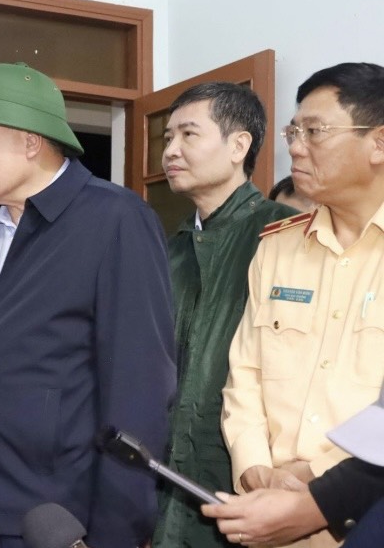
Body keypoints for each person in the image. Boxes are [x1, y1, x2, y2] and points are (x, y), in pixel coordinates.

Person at [0, 63, 176, 548]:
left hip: (57, 526)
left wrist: (115, 535)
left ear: (30, 141)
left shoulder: (115, 221)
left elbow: (140, 390)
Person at [221, 62, 384, 548]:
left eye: (315, 131)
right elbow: (243, 372)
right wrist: (255, 471)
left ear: (378, 142)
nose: (294, 145)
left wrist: (316, 482)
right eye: (295, 130)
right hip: (269, 518)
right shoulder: (277, 247)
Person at [153, 83, 297, 548]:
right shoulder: (166, 251)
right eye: (167, 138)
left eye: (188, 135)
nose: (171, 151)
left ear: (239, 146)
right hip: (160, 485)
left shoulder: (285, 236)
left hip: (252, 494)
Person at [201, 383, 384, 545]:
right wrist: (259, 472)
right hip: (269, 514)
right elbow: (243, 394)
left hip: (360, 513)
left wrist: (318, 490)